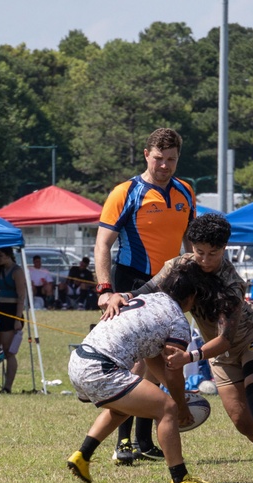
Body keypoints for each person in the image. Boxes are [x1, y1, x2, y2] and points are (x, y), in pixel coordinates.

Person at [104, 213, 253, 483]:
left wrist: (190, 356)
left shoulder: (231, 284)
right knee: (244, 422)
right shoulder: (178, 266)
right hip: (218, 353)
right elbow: (147, 290)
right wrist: (120, 296)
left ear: (224, 248)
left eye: (213, 253)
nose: (205, 260)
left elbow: (226, 339)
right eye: (199, 252)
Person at [66, 261, 218, 483]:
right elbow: (172, 368)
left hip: (78, 361)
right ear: (192, 296)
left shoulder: (150, 299)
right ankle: (180, 479)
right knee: (166, 408)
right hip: (100, 369)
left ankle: (82, 455)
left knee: (123, 407)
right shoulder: (177, 320)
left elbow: (152, 357)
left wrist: (181, 393)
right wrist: (180, 405)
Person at [95, 127, 196, 465]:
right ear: (145, 154)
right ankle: (122, 442)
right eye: (158, 158)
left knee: (161, 362)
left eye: (171, 159)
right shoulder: (126, 192)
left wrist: (195, 278)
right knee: (135, 364)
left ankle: (144, 440)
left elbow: (189, 245)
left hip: (169, 289)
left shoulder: (185, 192)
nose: (165, 166)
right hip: (132, 284)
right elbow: (103, 244)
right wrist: (105, 290)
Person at [0, 248, 27, 394]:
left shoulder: (17, 271)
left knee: (9, 352)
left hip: (13, 312)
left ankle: (7, 387)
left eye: (0, 255)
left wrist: (17, 318)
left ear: (8, 256)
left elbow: (21, 296)